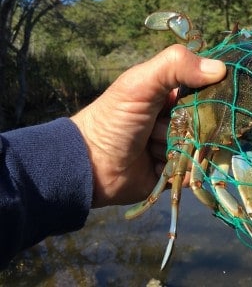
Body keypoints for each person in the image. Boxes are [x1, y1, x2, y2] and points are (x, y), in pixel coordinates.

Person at [0, 44, 226, 268]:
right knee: (186, 175)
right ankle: (180, 226)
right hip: (180, 132)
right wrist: (93, 153)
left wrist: (93, 152)